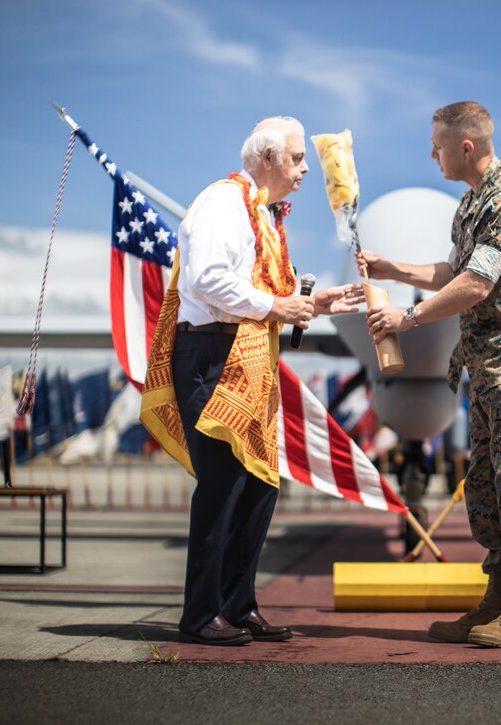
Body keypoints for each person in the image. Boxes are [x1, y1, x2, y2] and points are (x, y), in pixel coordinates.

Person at [141, 117, 363, 646]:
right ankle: (200, 615)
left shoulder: (259, 213)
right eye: (296, 158)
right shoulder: (223, 202)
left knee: (260, 484)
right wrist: (276, 305)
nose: (306, 168)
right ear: (266, 159)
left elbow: (266, 290)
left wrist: (317, 301)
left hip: (244, 354)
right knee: (224, 482)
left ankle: (239, 605)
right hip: (214, 353)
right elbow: (208, 280)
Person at [357, 101, 501, 647]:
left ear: (465, 147)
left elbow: (477, 285)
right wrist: (392, 268)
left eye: (438, 144)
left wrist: (407, 316)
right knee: (489, 486)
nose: (432, 153)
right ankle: (498, 600)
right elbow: (455, 270)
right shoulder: (472, 204)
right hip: (490, 366)